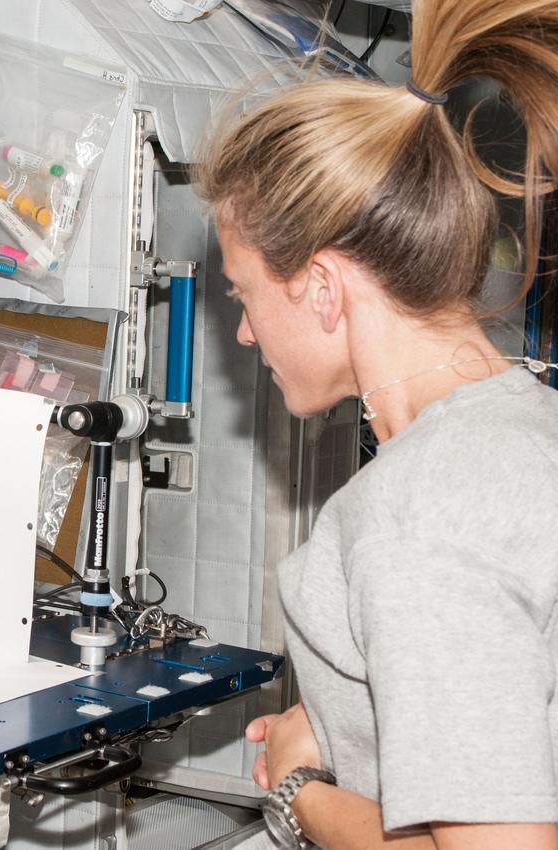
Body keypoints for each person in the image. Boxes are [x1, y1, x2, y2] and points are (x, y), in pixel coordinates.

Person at [196, 1, 558, 848]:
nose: (245, 332)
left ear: (322, 286)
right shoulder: (525, 428)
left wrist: (301, 790)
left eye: (244, 294)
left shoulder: (414, 519)